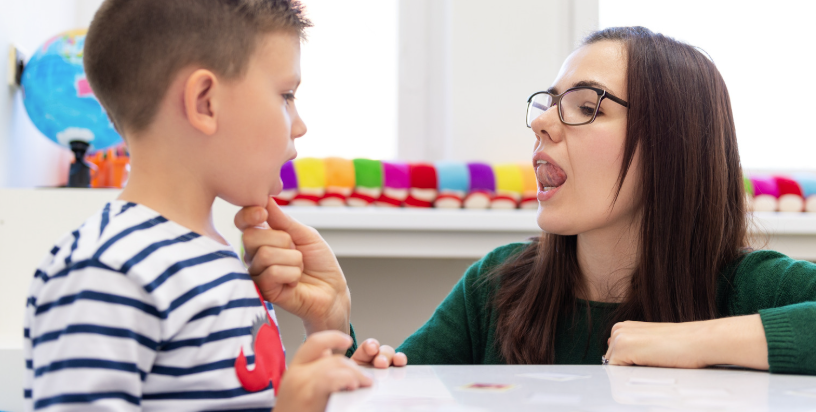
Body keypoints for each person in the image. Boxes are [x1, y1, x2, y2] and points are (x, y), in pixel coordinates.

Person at [240, 26, 816, 373]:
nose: (541, 123)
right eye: (548, 102)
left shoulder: (748, 288)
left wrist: (692, 342)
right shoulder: (495, 289)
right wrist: (332, 326)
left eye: (587, 106)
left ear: (674, 146)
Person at [23, 0, 402, 412]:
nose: (299, 125)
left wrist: (329, 340)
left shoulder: (216, 257)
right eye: (285, 95)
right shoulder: (106, 273)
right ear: (205, 102)